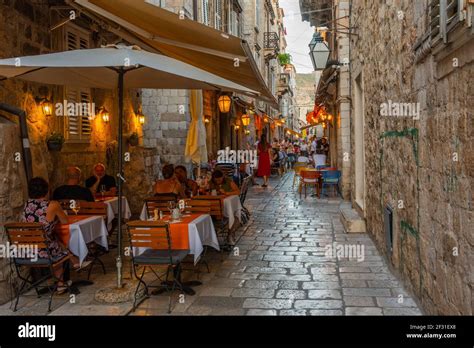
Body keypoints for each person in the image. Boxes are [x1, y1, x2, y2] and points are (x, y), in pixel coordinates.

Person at [23, 177, 83, 294]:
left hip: (26, 250)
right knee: (57, 244)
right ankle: (63, 280)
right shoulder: (53, 204)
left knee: (54, 239)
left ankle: (73, 262)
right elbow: (65, 221)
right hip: (45, 251)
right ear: (47, 190)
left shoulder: (27, 204)